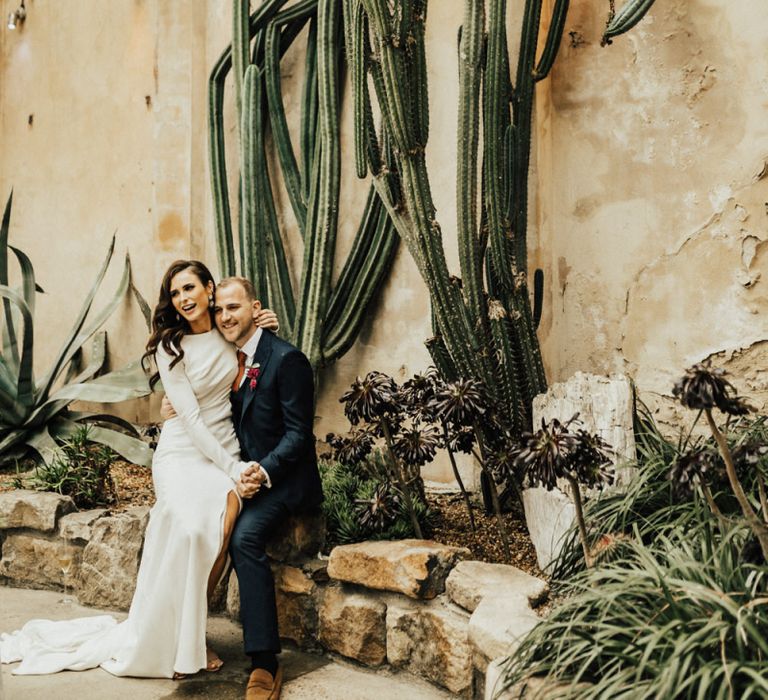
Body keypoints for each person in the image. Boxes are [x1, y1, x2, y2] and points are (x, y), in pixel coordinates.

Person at [0, 260, 279, 680]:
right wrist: (234, 467)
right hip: (184, 451)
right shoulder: (171, 347)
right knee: (187, 529)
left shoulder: (227, 330)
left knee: (219, 535)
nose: (183, 299)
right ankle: (173, 638)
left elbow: (257, 348)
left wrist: (266, 325)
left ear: (209, 289)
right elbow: (190, 418)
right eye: (174, 293)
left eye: (190, 288)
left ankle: (192, 631)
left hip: (225, 449)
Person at [165, 276, 322, 700]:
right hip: (237, 471)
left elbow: (298, 435)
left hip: (284, 479)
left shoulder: (286, 359)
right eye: (219, 309)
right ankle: (182, 630)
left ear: (256, 309)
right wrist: (171, 404)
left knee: (244, 534)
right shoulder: (226, 351)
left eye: (234, 308)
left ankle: (265, 663)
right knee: (202, 522)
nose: (224, 316)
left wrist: (262, 472)